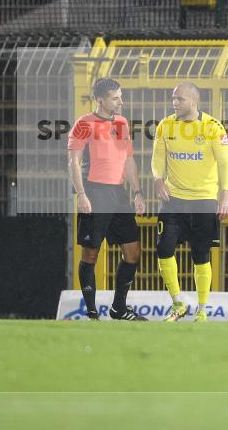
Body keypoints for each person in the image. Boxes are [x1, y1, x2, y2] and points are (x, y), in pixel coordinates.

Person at [68, 77, 147, 321]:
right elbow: (74, 161)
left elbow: (129, 159)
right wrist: (81, 194)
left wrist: (137, 192)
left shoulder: (122, 123)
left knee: (133, 252)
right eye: (115, 97)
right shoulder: (84, 123)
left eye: (120, 96)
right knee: (91, 254)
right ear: (100, 99)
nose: (120, 101)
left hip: (118, 194)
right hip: (94, 192)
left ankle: (119, 309)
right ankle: (92, 313)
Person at [152, 83, 228, 323]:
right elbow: (157, 158)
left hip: (204, 200)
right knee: (163, 248)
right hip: (173, 200)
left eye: (180, 99)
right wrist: (157, 179)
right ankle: (178, 304)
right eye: (173, 98)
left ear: (194, 101)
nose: (174, 103)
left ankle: (202, 309)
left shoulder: (213, 127)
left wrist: (225, 195)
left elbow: (225, 163)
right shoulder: (165, 126)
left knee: (201, 254)